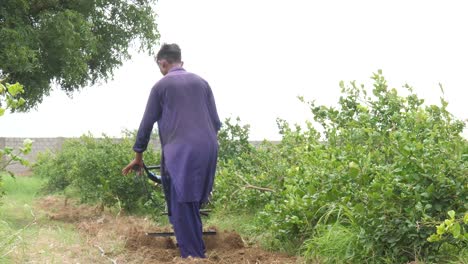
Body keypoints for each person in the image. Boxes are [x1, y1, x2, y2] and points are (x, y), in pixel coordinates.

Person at [122, 43, 221, 258]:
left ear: (163, 63)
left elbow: (146, 124)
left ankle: (193, 256)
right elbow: (216, 123)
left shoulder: (161, 86)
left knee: (181, 204)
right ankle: (196, 250)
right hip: (209, 148)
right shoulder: (202, 83)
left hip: (181, 151)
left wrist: (138, 156)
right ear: (181, 61)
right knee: (191, 201)